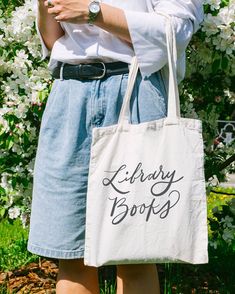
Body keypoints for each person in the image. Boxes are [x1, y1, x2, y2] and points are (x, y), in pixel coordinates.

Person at [28, 0, 203, 293]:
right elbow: (54, 39)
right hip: (69, 93)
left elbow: (175, 30)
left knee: (135, 253)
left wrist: (94, 12)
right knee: (71, 256)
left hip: (132, 88)